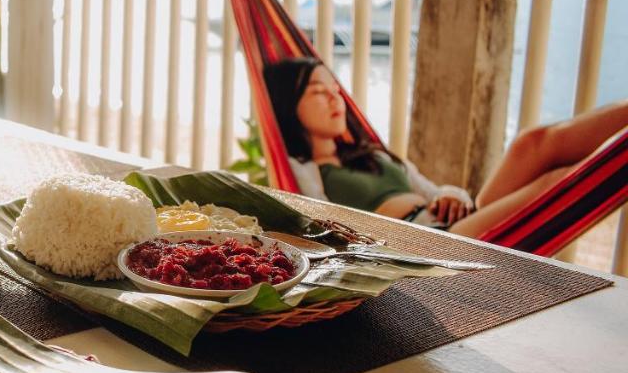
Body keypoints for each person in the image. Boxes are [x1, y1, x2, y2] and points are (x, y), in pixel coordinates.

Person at [263, 57, 628, 237]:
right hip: (429, 241)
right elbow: (319, 224)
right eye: (318, 92)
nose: (335, 99)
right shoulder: (302, 171)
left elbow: (435, 191)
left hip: (457, 219)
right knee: (556, 185)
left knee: (530, 143)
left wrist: (453, 195)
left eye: (336, 90)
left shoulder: (370, 153)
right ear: (289, 107)